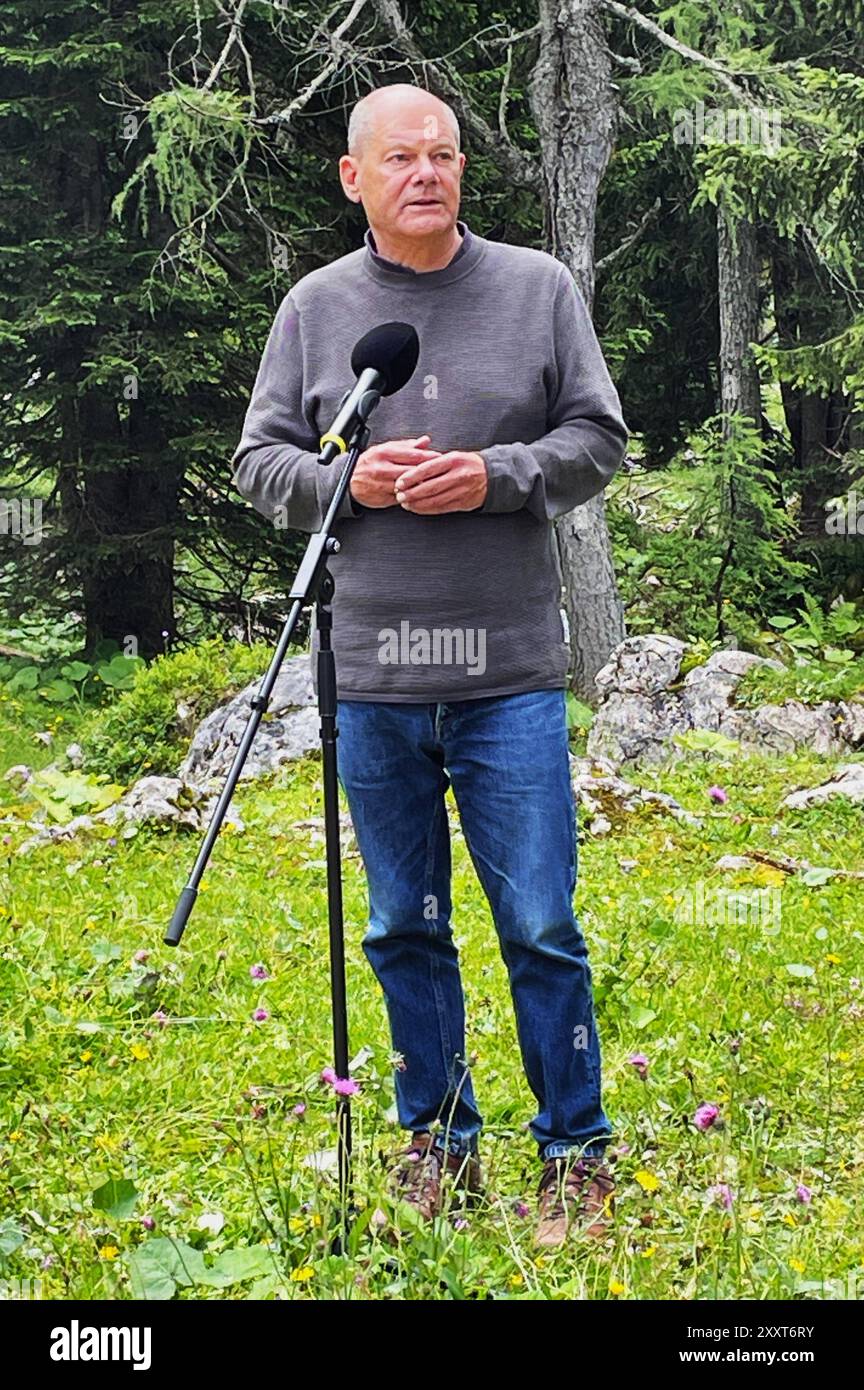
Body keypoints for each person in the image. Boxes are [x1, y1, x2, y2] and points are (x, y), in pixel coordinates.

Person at [231, 83, 629, 1248]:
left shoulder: (537, 291)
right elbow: (261, 459)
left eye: (444, 154)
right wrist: (341, 482)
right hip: (375, 675)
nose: (427, 172)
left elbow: (598, 438)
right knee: (403, 925)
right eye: (400, 156)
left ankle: (577, 1154)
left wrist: (498, 475)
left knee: (542, 921)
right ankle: (438, 1143)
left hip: (508, 670)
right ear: (353, 179)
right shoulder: (317, 309)